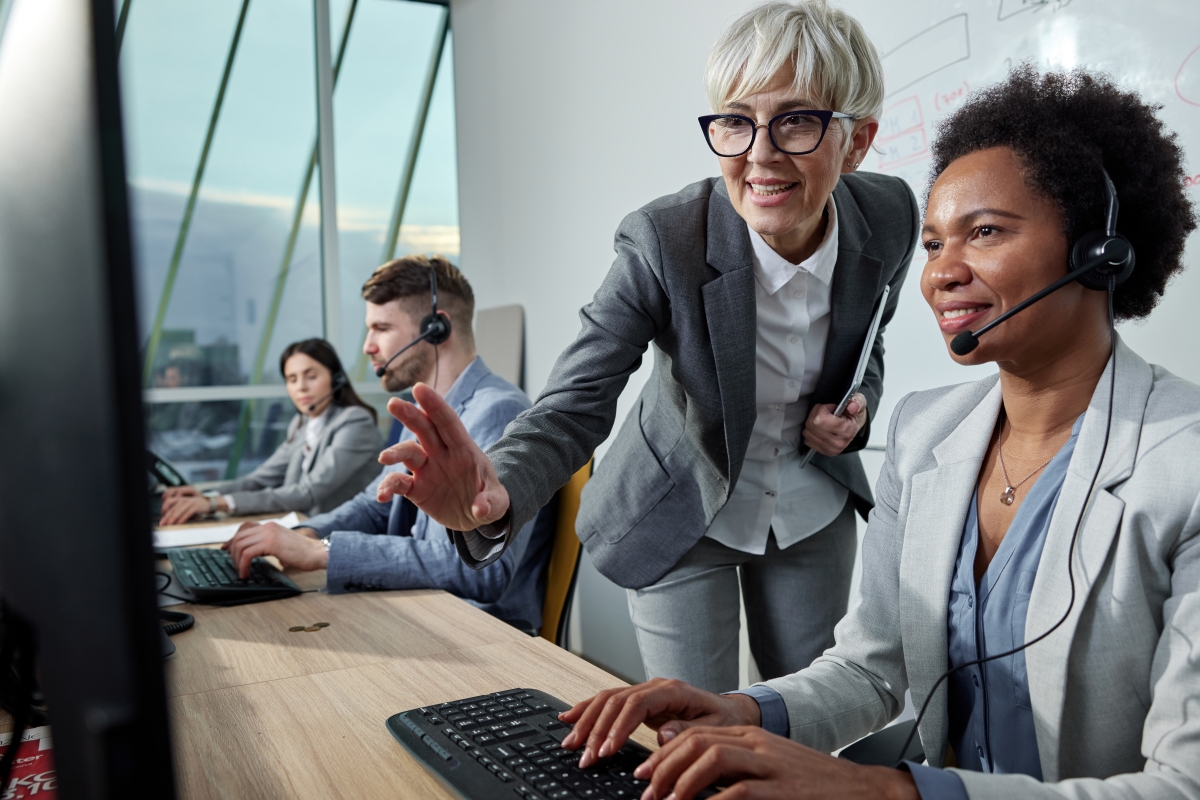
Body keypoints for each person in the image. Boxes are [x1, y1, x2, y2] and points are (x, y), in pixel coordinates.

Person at [550, 67, 1199, 799]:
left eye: (983, 232)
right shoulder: (928, 433)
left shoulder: (1184, 469)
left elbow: (1183, 787)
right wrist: (739, 711)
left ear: (1096, 250)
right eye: (931, 244)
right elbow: (872, 669)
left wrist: (890, 792)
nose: (942, 273)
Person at [376, 0, 919, 692]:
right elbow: (576, 403)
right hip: (681, 506)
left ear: (857, 141)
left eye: (797, 121)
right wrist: (499, 488)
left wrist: (856, 402)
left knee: (809, 731)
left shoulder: (893, 216)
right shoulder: (665, 241)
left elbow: (868, 337)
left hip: (811, 507)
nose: (759, 154)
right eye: (735, 121)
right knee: (692, 737)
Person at [224, 256, 551, 633]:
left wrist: (323, 553)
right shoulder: (423, 411)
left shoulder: (499, 412)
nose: (367, 347)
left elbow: (484, 570)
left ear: (435, 328)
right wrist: (306, 534)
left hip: (479, 631)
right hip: (421, 613)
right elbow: (376, 504)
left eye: (380, 328)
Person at [158, 338, 383, 524]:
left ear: (336, 379)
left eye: (311, 376)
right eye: (292, 379)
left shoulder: (355, 422)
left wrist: (216, 504)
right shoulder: (301, 423)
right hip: (306, 528)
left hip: (342, 535)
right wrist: (208, 496)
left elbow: (307, 493)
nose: (301, 387)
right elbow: (259, 479)